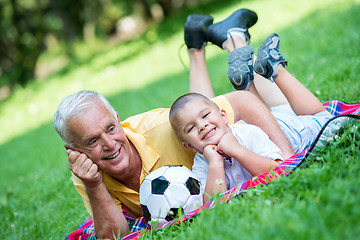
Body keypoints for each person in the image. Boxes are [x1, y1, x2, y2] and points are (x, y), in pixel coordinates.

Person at [54, 9, 295, 239]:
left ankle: (235, 40)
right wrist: (94, 185)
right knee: (198, 118)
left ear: (118, 119)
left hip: (259, 136)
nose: (109, 144)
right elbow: (116, 236)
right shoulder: (87, 171)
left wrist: (287, 159)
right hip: (210, 151)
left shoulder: (160, 128)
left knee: (276, 109)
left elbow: (243, 102)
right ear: (74, 152)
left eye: (110, 128)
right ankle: (196, 46)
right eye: (93, 141)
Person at [169, 33, 333, 203]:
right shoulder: (203, 163)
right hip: (268, 123)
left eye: (205, 115)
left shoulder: (247, 134)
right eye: (191, 128)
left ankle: (276, 69)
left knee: (322, 118)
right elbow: (212, 205)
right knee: (283, 109)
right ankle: (249, 84)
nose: (202, 126)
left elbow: (277, 171)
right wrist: (215, 163)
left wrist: (237, 150)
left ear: (224, 116)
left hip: (291, 133)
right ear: (188, 146)